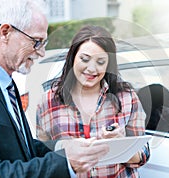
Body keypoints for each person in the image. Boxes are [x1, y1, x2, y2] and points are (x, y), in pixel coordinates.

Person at [0, 0, 109, 177]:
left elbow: (24, 147)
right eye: (36, 41)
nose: (41, 52)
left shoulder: (6, 83)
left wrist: (66, 149)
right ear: (5, 32)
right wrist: (66, 163)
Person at [36, 25, 150, 178]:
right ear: (72, 57)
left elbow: (143, 155)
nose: (91, 69)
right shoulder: (48, 102)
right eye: (85, 59)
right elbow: (41, 156)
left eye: (101, 62)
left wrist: (121, 144)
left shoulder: (127, 98)